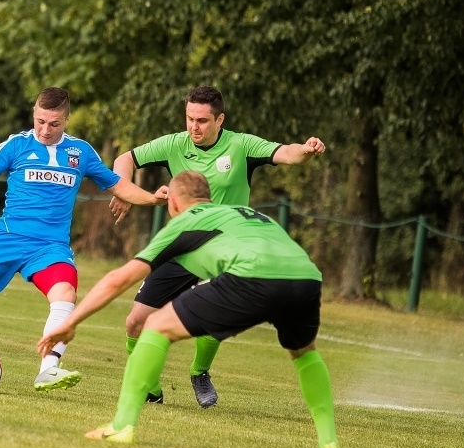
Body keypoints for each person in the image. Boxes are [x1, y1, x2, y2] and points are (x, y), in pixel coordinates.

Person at [38, 171, 346, 448]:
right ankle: (330, 445)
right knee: (305, 354)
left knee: (155, 326)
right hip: (305, 278)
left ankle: (122, 426)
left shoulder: (186, 221)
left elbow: (119, 280)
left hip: (252, 276)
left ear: (172, 202)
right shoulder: (242, 213)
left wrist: (71, 321)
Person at [0, 87, 168, 392]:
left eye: (54, 124)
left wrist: (153, 199)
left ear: (67, 120)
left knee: (65, 294)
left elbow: (117, 186)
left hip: (50, 247)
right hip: (6, 238)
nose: (45, 130)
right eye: (40, 121)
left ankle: (48, 370)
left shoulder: (81, 152)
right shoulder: (16, 145)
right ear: (34, 115)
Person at [109, 85, 326, 408]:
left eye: (202, 120)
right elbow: (125, 158)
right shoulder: (174, 144)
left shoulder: (241, 145)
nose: (194, 127)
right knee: (135, 322)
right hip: (183, 248)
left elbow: (285, 152)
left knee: (211, 320)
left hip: (226, 252)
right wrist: (123, 190)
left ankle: (200, 372)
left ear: (220, 119)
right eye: (189, 119)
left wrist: (306, 150)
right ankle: (150, 388)